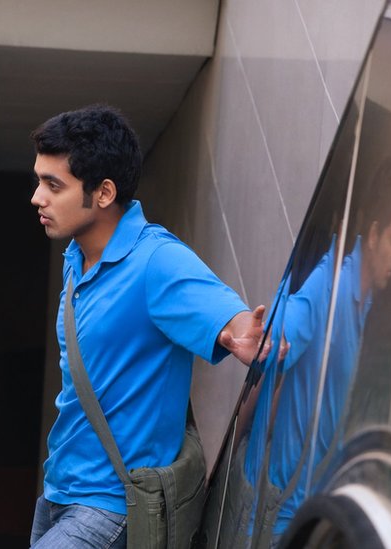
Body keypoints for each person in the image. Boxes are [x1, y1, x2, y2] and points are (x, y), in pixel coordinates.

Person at [27, 103, 266, 548]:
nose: (37, 197)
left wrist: (241, 331)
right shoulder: (77, 258)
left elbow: (225, 312)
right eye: (39, 180)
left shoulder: (157, 260)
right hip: (59, 492)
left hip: (113, 505)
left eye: (53, 185)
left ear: (102, 193)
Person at [238, 155, 391, 547]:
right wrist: (271, 339)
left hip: (306, 518)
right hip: (273, 523)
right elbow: (280, 338)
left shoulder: (360, 303)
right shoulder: (327, 287)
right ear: (375, 232)